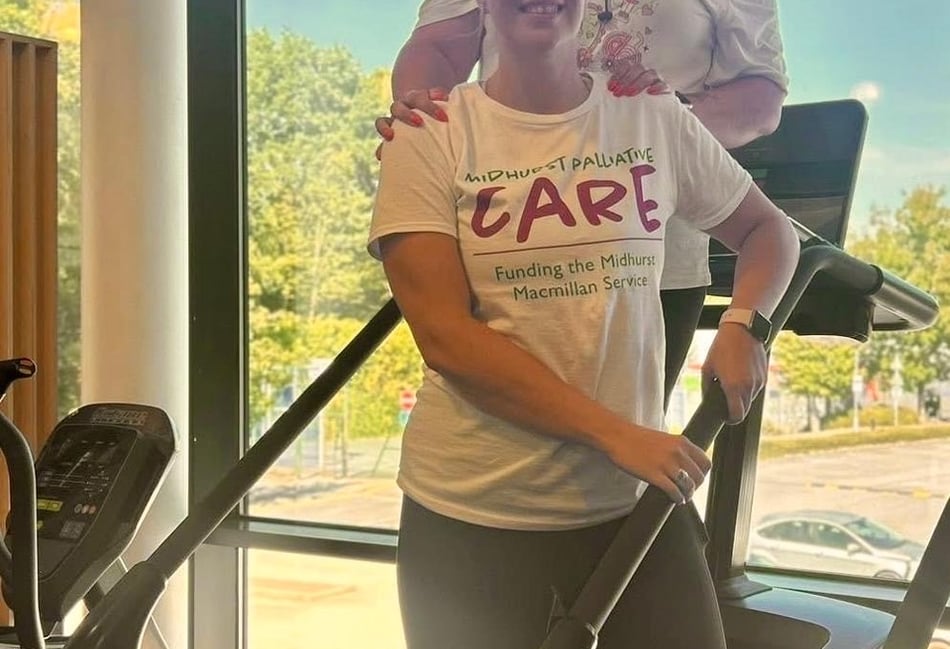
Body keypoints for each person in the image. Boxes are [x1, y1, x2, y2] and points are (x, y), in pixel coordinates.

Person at [368, 2, 798, 647]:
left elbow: (769, 229)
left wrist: (743, 324)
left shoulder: (652, 117)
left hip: (632, 501)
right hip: (474, 509)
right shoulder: (430, 132)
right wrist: (615, 436)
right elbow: (446, 339)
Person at [379, 0, 789, 405]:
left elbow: (760, 98)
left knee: (625, 439)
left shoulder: (659, 118)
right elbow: (437, 46)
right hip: (500, 233)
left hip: (650, 259)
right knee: (485, 413)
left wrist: (654, 120)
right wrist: (426, 131)